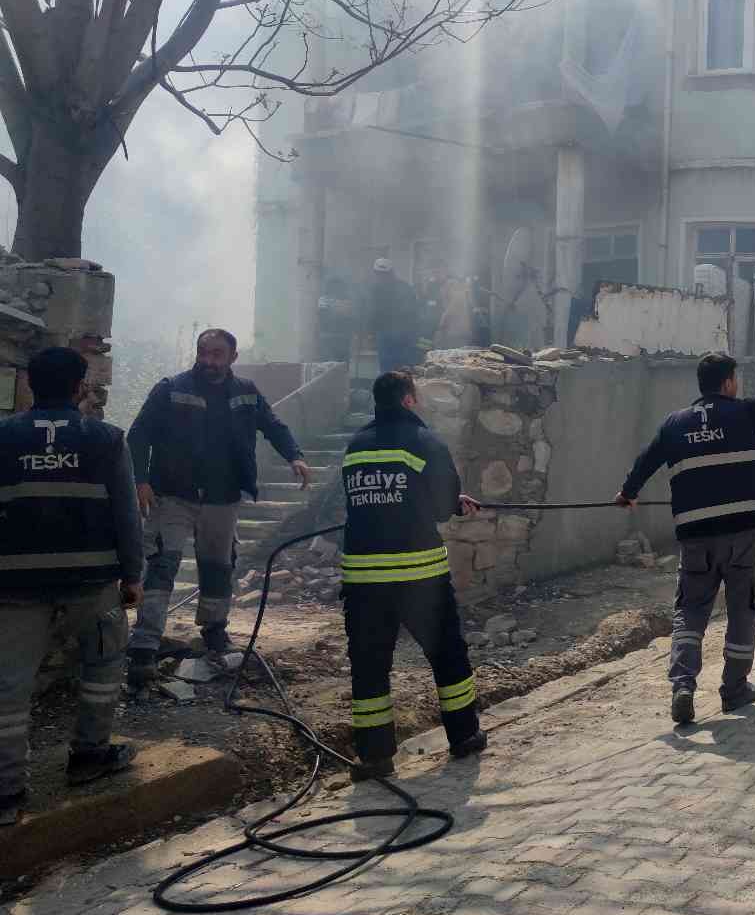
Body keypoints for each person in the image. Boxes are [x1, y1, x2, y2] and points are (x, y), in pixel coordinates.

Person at [616, 331, 755, 726]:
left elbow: (644, 463)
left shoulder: (673, 425)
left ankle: (683, 685)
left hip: (696, 539)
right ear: (728, 383)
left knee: (690, 611)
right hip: (744, 536)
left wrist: (627, 493)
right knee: (743, 609)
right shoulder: (745, 412)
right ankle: (734, 690)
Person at [0, 348, 144, 826]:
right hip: (93, 581)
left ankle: (6, 791)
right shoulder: (105, 439)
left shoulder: (3, 437)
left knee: (8, 686)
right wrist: (133, 574)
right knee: (102, 667)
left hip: (15, 585)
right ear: (82, 387)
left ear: (28, 385)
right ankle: (89, 756)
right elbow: (126, 513)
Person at [125, 328, 311, 682]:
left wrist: (295, 457)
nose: (208, 360)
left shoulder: (246, 392)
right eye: (203, 352)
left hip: (223, 498)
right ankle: (144, 646)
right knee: (162, 565)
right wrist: (140, 480)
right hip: (173, 496)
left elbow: (273, 426)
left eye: (216, 354)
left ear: (232, 357)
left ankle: (214, 633)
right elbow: (139, 434)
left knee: (218, 568)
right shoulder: (171, 388)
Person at [340, 371, 487, 780]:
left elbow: (374, 501)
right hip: (418, 577)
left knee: (369, 666)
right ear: (408, 400)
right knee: (447, 656)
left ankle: (374, 757)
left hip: (363, 580)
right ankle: (463, 737)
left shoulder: (356, 446)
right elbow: (440, 508)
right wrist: (454, 503)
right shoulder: (425, 442)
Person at [364, 258, 422, 375]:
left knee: (395, 370)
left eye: (382, 274)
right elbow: (371, 312)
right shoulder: (404, 287)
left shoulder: (377, 289)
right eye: (379, 274)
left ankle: (396, 390)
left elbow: (372, 313)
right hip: (393, 335)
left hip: (398, 335)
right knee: (398, 370)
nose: (380, 277)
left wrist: (369, 331)